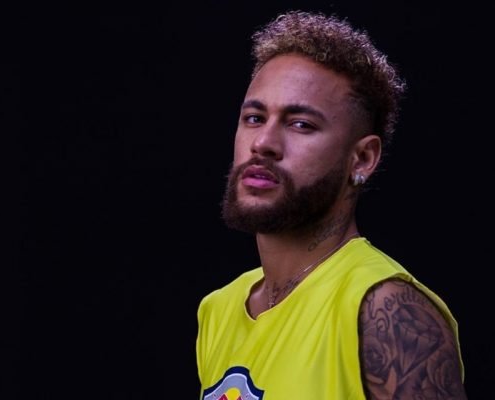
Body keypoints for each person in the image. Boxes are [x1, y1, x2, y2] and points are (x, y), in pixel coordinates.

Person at [196, 10, 467, 399]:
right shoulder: (217, 310)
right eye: (254, 118)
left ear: (362, 159)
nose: (263, 143)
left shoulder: (387, 309)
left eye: (301, 124)